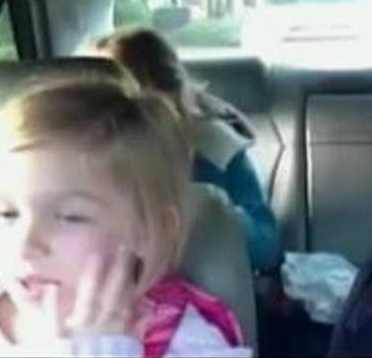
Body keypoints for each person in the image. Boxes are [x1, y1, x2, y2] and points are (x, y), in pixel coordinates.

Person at [0, 77, 252, 357]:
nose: (25, 245)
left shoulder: (187, 342)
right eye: (7, 214)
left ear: (148, 231)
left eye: (70, 217)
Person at [90, 27, 281, 272]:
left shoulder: (214, 148)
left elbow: (267, 246)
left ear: (174, 95)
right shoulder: (88, 157)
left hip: (213, 279)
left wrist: (211, 211)